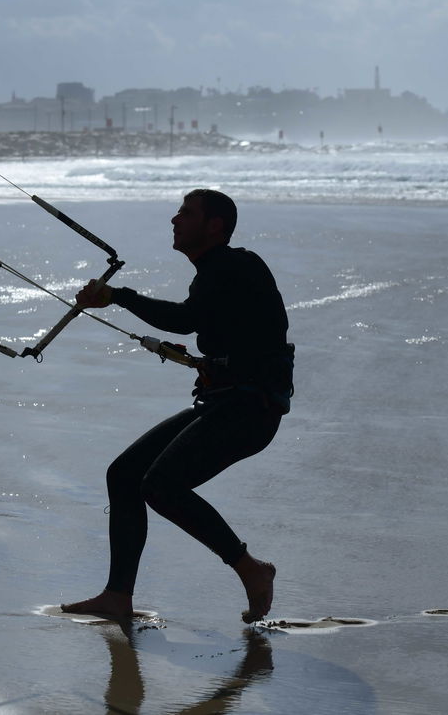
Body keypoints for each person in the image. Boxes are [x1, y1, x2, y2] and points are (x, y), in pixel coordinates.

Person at [61, 189, 294, 623]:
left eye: (186, 213)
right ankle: (117, 596)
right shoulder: (214, 270)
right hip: (226, 403)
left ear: (214, 226)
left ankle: (252, 570)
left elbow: (187, 320)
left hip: (251, 409)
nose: (174, 219)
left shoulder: (234, 265)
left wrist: (118, 297)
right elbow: (217, 327)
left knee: (161, 485)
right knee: (126, 474)